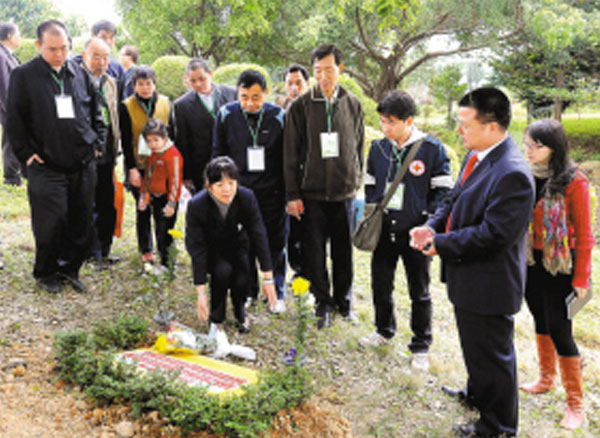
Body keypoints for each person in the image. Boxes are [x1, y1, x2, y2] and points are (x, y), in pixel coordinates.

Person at [410, 87, 534, 437]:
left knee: (494, 357)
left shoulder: (512, 173)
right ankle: (477, 395)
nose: (459, 129)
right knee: (475, 348)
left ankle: (498, 426)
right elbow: (452, 199)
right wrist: (430, 227)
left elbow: (494, 234)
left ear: (492, 126)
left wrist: (441, 243)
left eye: (465, 123)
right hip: (469, 274)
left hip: (490, 281)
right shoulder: (477, 154)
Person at [6, 20, 106, 293]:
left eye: (64, 48)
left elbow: (97, 112)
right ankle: (47, 273)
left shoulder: (80, 73)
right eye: (52, 49)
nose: (59, 54)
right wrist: (26, 154)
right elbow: (14, 120)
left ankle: (70, 270)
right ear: (39, 46)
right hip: (46, 164)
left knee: (80, 220)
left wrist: (98, 143)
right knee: (51, 221)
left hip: (82, 162)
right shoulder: (23, 76)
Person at [359, 91, 452, 372]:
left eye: (391, 122)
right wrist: (376, 209)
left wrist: (427, 222)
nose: (386, 128)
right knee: (380, 284)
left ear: (409, 120)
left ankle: (420, 346)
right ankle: (383, 330)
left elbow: (444, 193)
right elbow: (371, 184)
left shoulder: (432, 149)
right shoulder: (378, 148)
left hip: (417, 233)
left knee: (419, 291)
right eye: (383, 122)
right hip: (384, 230)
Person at [519, 119, 593, 430]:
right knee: (540, 318)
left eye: (538, 145)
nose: (530, 150)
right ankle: (546, 378)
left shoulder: (574, 181)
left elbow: (586, 234)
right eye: (528, 142)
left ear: (555, 148)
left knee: (561, 329)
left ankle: (576, 404)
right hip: (531, 260)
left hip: (561, 264)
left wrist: (581, 278)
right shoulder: (525, 175)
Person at [284, 44, 364, 329]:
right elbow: (290, 153)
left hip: (344, 193)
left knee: (344, 251)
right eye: (318, 70)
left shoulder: (352, 103)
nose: (323, 76)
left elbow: (358, 146)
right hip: (312, 194)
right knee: (314, 252)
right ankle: (323, 303)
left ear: (340, 69)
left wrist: (357, 181)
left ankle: (344, 302)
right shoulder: (301, 106)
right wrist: (293, 194)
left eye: (329, 69)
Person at [213, 69, 287, 312]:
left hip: (272, 192)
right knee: (243, 243)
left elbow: (288, 158)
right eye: (244, 97)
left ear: (266, 93)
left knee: (274, 241)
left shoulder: (279, 116)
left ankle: (276, 291)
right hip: (239, 192)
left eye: (255, 97)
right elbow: (218, 153)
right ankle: (248, 291)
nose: (250, 103)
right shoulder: (226, 114)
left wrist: (288, 193)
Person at [185, 156, 277, 333]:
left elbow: (259, 235)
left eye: (231, 183)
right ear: (209, 186)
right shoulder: (197, 205)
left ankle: (240, 312)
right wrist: (201, 293)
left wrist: (268, 277)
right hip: (212, 249)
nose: (227, 190)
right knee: (222, 272)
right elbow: (197, 248)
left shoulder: (246, 198)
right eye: (220, 185)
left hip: (238, 246)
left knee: (242, 278)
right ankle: (217, 318)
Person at [119, 65, 172, 265]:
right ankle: (146, 248)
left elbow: (172, 133)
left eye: (148, 83)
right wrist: (131, 169)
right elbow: (125, 140)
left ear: (154, 84)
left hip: (162, 165)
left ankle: (164, 247)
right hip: (139, 164)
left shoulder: (166, 103)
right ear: (134, 86)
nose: (145, 88)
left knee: (162, 208)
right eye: (140, 84)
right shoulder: (126, 106)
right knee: (143, 206)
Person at [81, 37, 121, 266]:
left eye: (105, 56)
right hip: (87, 153)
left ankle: (104, 250)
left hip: (108, 152)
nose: (102, 62)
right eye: (96, 56)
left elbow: (113, 117)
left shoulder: (110, 82)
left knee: (108, 202)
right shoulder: (76, 79)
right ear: (85, 55)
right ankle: (90, 252)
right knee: (89, 203)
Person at [172, 58, 236, 193]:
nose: (198, 84)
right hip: (201, 166)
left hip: (232, 160)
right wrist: (186, 175)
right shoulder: (181, 105)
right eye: (193, 81)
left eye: (202, 79)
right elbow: (183, 141)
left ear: (210, 74)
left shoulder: (231, 93)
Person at [138, 118, 183, 272]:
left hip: (167, 199)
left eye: (156, 140)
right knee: (158, 229)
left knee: (165, 232)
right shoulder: (153, 153)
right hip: (155, 198)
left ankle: (168, 263)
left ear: (165, 137)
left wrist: (171, 203)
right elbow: (147, 176)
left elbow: (176, 182)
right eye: (149, 141)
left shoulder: (172, 155)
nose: (152, 144)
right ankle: (163, 261)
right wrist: (143, 195)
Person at [0, 22, 23, 186]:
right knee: (11, 139)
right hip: (7, 105)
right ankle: (11, 177)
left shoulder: (9, 54)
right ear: (9, 36)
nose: (20, 38)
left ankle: (15, 172)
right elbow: (4, 83)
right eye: (18, 35)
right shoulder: (1, 55)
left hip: (13, 104)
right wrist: (10, 107)